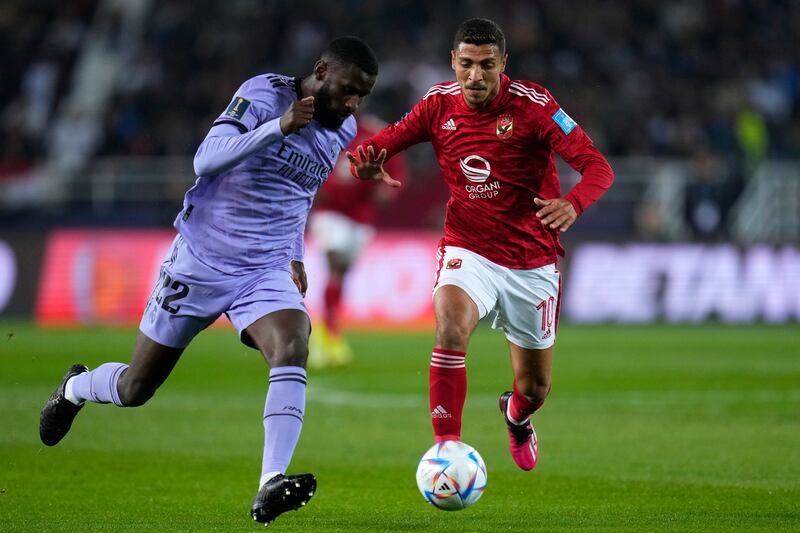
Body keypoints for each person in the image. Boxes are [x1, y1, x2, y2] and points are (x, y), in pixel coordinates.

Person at [38, 36, 379, 524]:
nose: (353, 105)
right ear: (322, 72)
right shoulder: (265, 94)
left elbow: (298, 193)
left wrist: (295, 251)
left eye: (362, 96)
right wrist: (277, 128)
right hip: (200, 258)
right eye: (348, 90)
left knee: (293, 342)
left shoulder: (340, 130)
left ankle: (270, 483)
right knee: (136, 387)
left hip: (263, 268)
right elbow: (206, 159)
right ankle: (75, 389)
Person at [349, 19, 613, 471]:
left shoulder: (535, 106)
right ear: (453, 62)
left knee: (535, 389)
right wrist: (363, 164)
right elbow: (378, 146)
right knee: (450, 327)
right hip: (468, 248)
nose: (475, 76)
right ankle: (447, 447)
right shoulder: (437, 104)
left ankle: (515, 415)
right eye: (466, 64)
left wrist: (573, 203)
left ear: (502, 64)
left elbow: (598, 168)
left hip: (532, 261)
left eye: (486, 65)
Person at [307, 114, 407, 368]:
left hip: (360, 217)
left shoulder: (374, 132)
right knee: (336, 263)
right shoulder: (325, 129)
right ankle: (331, 332)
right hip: (330, 212)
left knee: (342, 274)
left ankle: (327, 328)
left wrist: (387, 190)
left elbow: (397, 166)